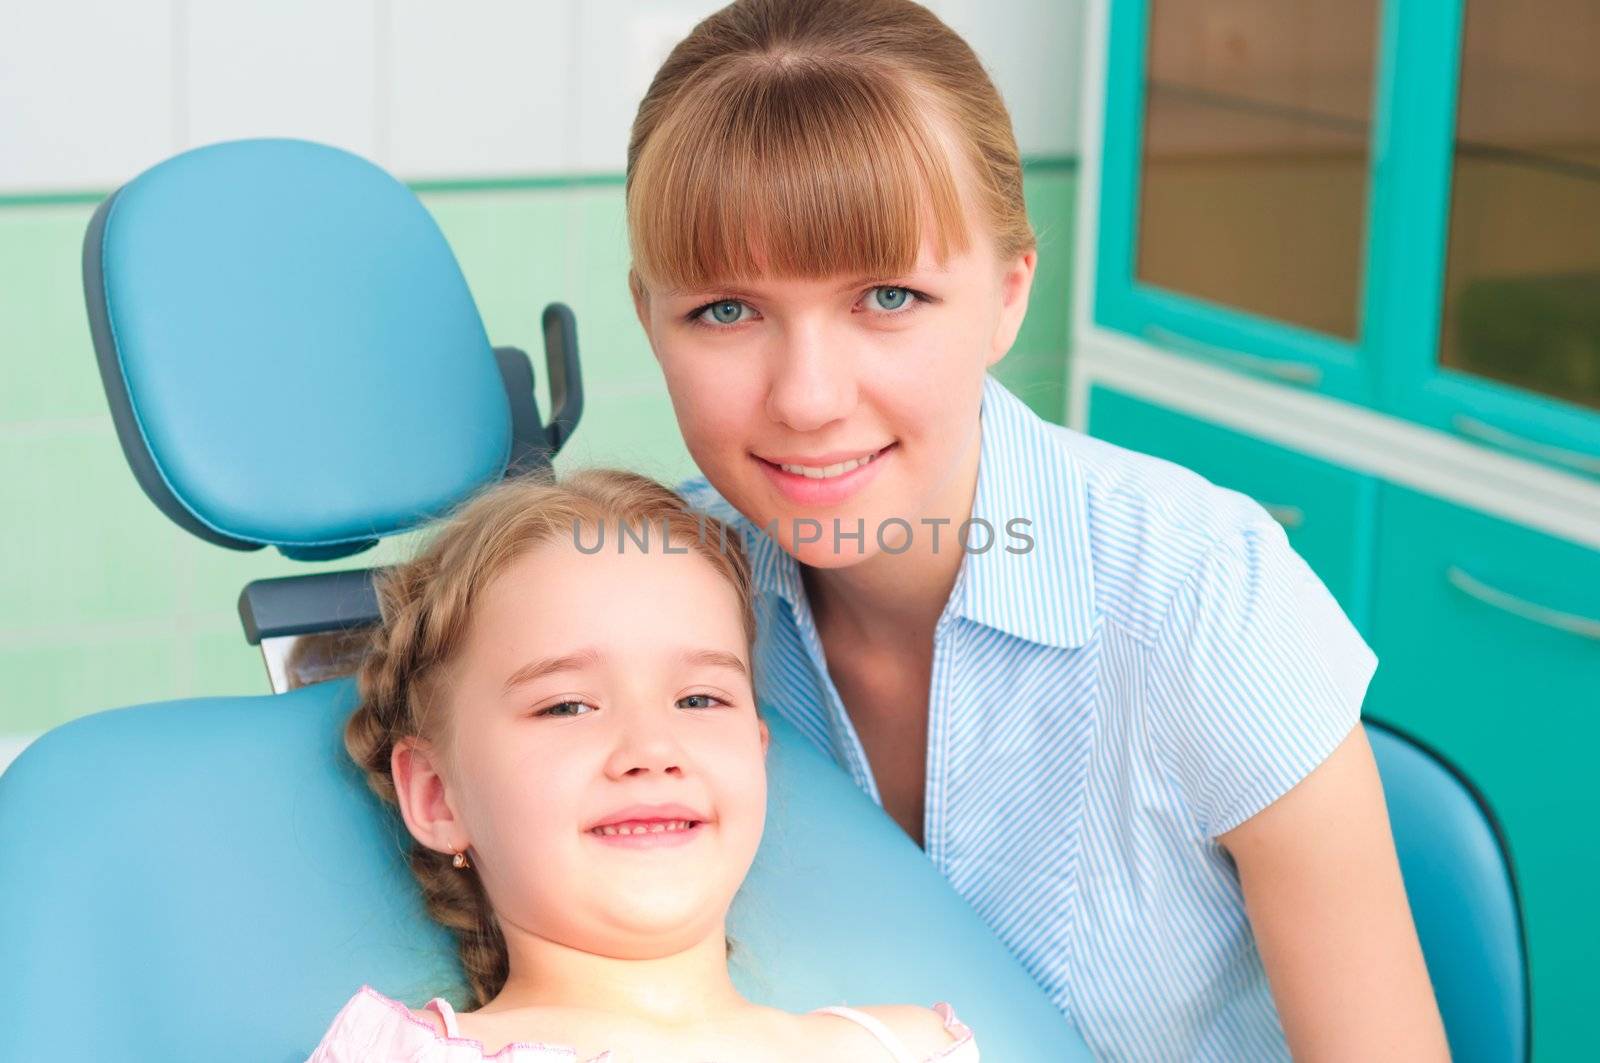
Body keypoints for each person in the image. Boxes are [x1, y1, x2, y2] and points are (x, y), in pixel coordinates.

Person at [625, 1, 1450, 1057]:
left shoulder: (1201, 594)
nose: (809, 398)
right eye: (726, 312)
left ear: (1008, 295)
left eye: (887, 296)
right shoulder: (648, 600)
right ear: (651, 317)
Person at [305, 471, 978, 1061]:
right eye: (567, 705)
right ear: (436, 796)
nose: (653, 750)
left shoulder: (907, 1047)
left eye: (699, 698)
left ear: (757, 754)